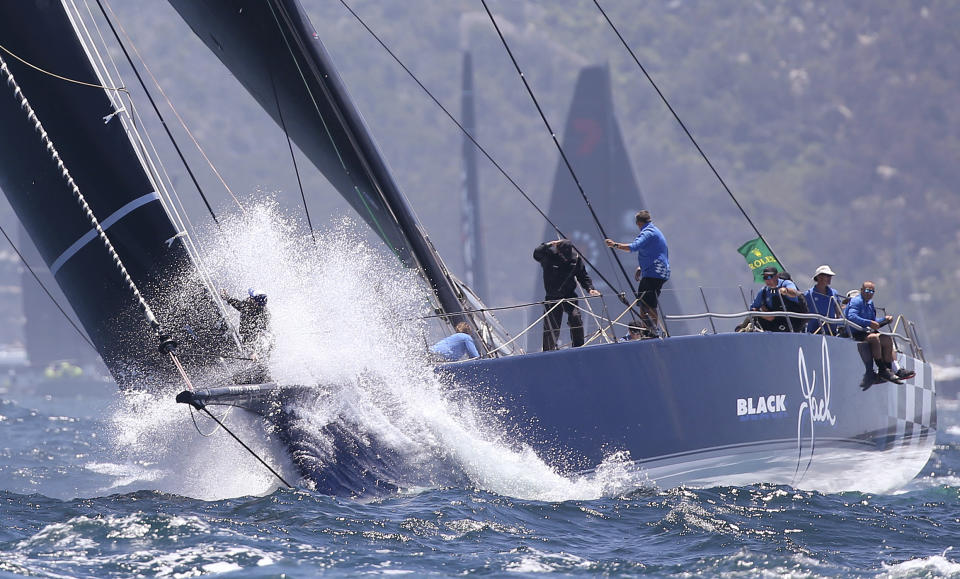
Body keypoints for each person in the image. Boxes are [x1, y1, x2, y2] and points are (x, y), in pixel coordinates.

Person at [605, 210, 670, 334]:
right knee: (646, 303)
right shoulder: (655, 231)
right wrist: (641, 267)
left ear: (638, 223)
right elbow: (658, 252)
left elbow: (633, 247)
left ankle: (651, 331)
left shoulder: (647, 233)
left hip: (653, 273)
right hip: (658, 271)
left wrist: (614, 245)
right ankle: (651, 330)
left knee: (644, 304)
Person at [534, 239, 602, 351]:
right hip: (552, 297)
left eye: (568, 254)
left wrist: (590, 289)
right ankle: (548, 351)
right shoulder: (548, 256)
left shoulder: (575, 259)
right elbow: (536, 253)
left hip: (569, 295)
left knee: (575, 318)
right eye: (563, 254)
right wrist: (550, 244)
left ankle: (579, 348)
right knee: (551, 326)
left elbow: (583, 276)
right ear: (558, 250)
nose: (566, 257)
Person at [845, 280, 913, 388]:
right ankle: (882, 369)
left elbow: (873, 320)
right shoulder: (856, 301)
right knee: (874, 338)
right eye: (867, 290)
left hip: (865, 330)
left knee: (886, 339)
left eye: (872, 291)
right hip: (856, 332)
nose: (869, 293)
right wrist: (869, 323)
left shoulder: (870, 303)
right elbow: (851, 317)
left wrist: (884, 319)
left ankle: (890, 369)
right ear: (861, 291)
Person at [749, 266, 803, 332]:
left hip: (792, 321)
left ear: (776, 276)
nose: (767, 280)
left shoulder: (786, 283)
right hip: (774, 322)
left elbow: (794, 293)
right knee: (752, 320)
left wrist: (786, 291)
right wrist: (759, 311)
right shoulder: (763, 292)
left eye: (769, 277)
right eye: (765, 277)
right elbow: (753, 308)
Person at [222, 288, 272, 355]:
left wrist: (254, 352)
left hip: (260, 347)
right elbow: (239, 305)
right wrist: (228, 298)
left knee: (254, 358)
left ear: (256, 303)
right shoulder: (249, 304)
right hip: (248, 338)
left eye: (251, 297)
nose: (249, 298)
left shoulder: (262, 317)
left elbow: (259, 336)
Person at [803, 265, 844, 334]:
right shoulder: (809, 294)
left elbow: (838, 312)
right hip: (813, 332)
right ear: (819, 277)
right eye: (827, 276)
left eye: (830, 276)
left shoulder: (834, 293)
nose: (830, 278)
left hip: (831, 332)